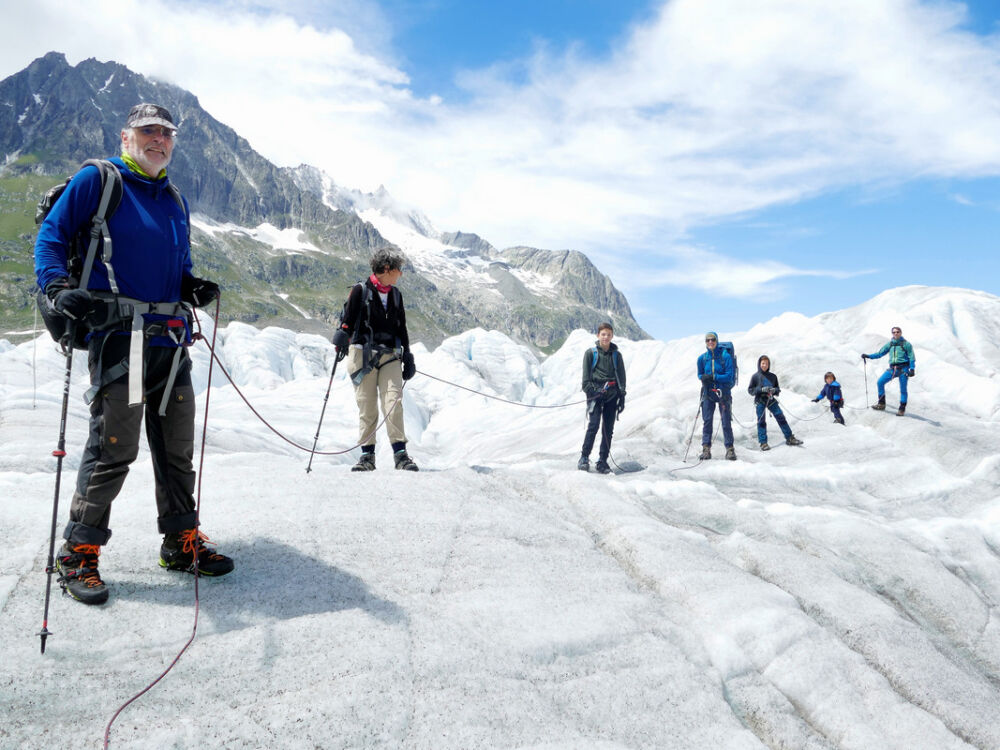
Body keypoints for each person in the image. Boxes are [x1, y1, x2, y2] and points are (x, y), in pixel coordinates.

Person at [34, 103, 233, 605]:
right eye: (148, 131)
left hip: (169, 339)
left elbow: (177, 262)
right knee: (114, 447)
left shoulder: (173, 199)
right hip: (124, 339)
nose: (158, 140)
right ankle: (78, 554)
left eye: (166, 134)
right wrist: (57, 287)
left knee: (176, 446)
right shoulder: (100, 180)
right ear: (126, 137)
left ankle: (180, 542)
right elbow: (51, 237)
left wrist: (191, 285)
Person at [332, 248, 418, 471]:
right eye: (399, 269)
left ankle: (401, 455)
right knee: (367, 407)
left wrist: (407, 356)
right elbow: (347, 322)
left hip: (390, 355)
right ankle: (367, 457)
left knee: (393, 403)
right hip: (362, 355)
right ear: (387, 269)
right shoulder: (360, 291)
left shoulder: (396, 295)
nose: (401, 274)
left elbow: (402, 328)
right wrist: (341, 337)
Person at [577, 322, 627, 474]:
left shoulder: (617, 355)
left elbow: (622, 377)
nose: (606, 337)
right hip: (595, 395)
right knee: (593, 425)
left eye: (608, 334)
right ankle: (584, 457)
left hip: (612, 395)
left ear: (612, 336)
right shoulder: (590, 354)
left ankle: (602, 461)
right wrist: (595, 392)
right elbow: (585, 382)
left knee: (608, 429)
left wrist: (622, 395)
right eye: (603, 334)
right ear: (598, 335)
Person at [746, 355, 803, 451]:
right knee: (761, 422)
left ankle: (789, 438)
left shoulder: (773, 376)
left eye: (766, 364)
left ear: (769, 365)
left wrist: (774, 390)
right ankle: (763, 443)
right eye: (763, 363)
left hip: (771, 399)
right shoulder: (755, 376)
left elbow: (778, 389)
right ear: (759, 364)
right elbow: (750, 390)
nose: (764, 365)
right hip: (760, 401)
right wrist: (760, 389)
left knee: (780, 417)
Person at [697, 332, 736, 460]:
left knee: (725, 422)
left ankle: (730, 449)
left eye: (712, 340)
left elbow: (729, 376)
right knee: (707, 421)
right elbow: (699, 374)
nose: (710, 342)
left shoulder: (725, 356)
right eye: (707, 340)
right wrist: (703, 378)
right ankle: (706, 449)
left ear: (717, 341)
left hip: (723, 392)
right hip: (708, 393)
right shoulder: (702, 359)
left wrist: (714, 377)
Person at [862, 326, 915, 416]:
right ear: (892, 334)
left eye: (897, 332)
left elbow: (911, 357)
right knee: (880, 382)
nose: (896, 333)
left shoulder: (906, 344)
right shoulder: (890, 344)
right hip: (892, 368)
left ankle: (902, 409)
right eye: (894, 332)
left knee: (903, 389)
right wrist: (868, 356)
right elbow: (880, 353)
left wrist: (912, 369)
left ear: (901, 333)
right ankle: (881, 404)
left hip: (903, 369)